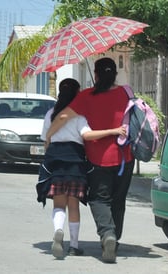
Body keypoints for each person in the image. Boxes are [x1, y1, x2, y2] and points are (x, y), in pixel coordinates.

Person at [45, 58, 134, 263]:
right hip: (125, 156)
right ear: (114, 74)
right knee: (118, 201)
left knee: (99, 199)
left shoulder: (86, 96)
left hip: (99, 159)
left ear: (96, 75)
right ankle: (113, 239)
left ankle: (107, 234)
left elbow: (63, 117)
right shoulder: (126, 92)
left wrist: (49, 135)